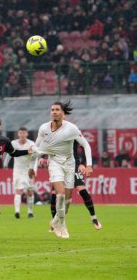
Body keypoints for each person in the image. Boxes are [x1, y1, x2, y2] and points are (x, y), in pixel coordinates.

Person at [29, 101, 93, 239]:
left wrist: (89, 165)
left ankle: (56, 221)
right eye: (52, 109)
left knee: (68, 201)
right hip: (54, 162)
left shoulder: (72, 129)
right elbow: (36, 148)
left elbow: (86, 146)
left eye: (57, 109)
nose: (54, 112)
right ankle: (62, 225)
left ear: (63, 113)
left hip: (70, 164)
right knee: (61, 194)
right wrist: (33, 167)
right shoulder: (44, 128)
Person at [50, 140, 102, 230]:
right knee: (55, 194)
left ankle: (94, 218)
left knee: (82, 190)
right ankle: (55, 223)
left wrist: (82, 164)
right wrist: (44, 158)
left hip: (74, 166)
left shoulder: (73, 132)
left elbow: (85, 147)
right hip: (59, 167)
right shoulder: (54, 133)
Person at [10, 127, 37, 219]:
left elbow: (35, 158)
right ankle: (17, 211)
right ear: (18, 134)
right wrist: (5, 164)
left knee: (30, 191)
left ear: (27, 134)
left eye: (24, 133)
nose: (22, 135)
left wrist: (34, 170)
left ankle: (30, 212)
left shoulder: (31, 144)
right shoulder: (13, 143)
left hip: (28, 170)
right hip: (17, 170)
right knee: (18, 190)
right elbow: (10, 154)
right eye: (20, 133)